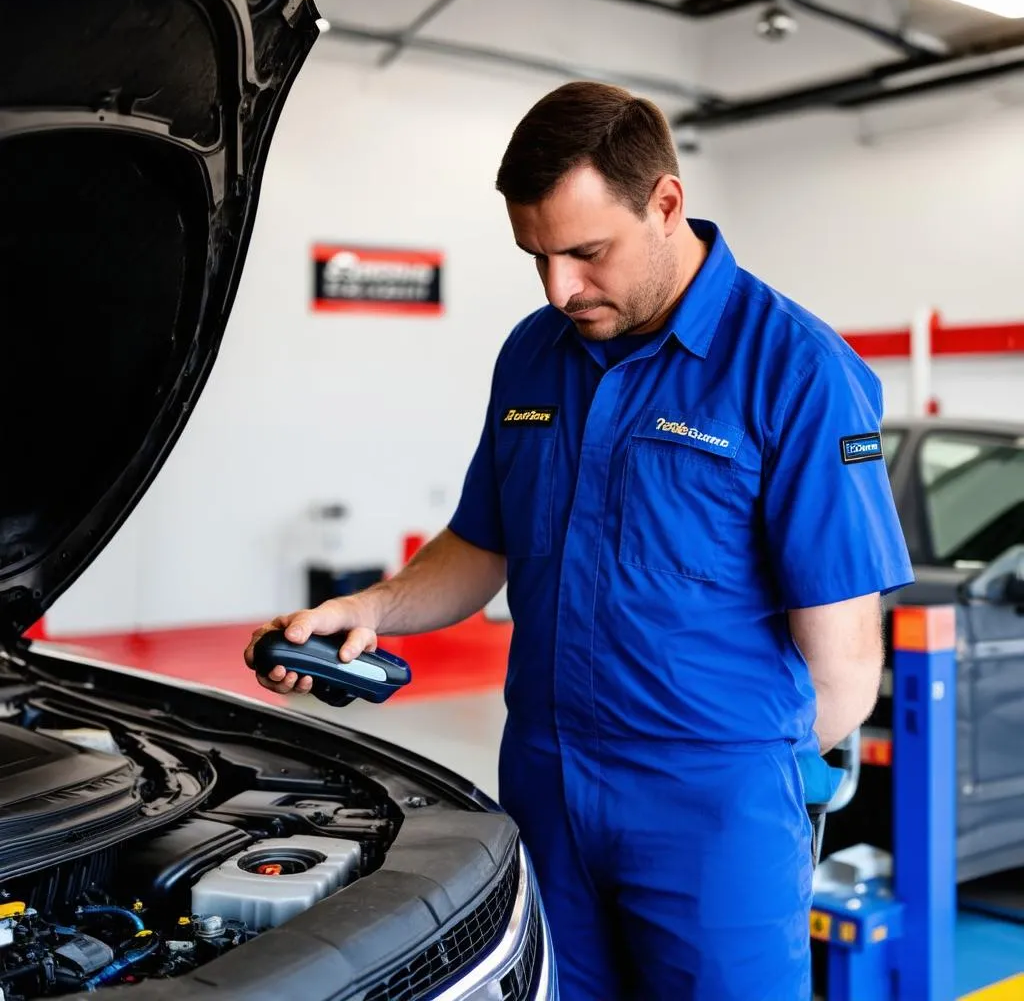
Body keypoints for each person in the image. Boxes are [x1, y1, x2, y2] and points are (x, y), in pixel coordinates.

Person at [244, 81, 914, 1000]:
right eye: (538, 257)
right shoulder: (533, 354)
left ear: (666, 204)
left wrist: (748, 793)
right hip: (546, 792)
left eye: (587, 253)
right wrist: (366, 610)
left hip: (713, 812)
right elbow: (481, 546)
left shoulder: (798, 372)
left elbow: (842, 667)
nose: (561, 288)